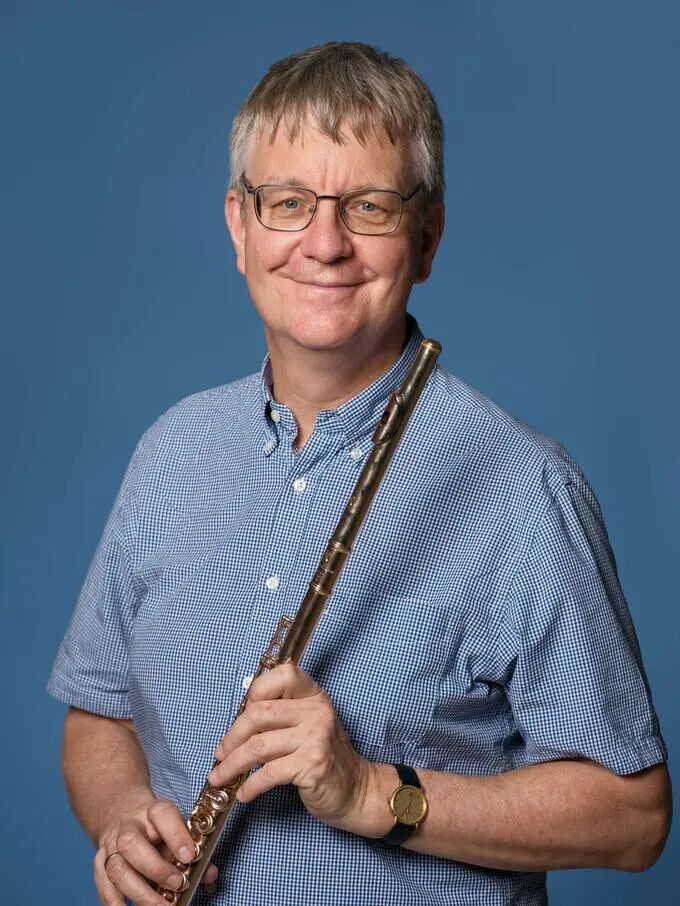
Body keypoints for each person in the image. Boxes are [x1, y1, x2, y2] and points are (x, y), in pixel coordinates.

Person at [48, 41, 671, 906]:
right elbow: (99, 713)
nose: (325, 244)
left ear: (427, 236)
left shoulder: (523, 486)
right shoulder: (170, 453)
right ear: (239, 226)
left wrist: (372, 792)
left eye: (370, 207)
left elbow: (634, 818)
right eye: (289, 203)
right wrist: (122, 817)